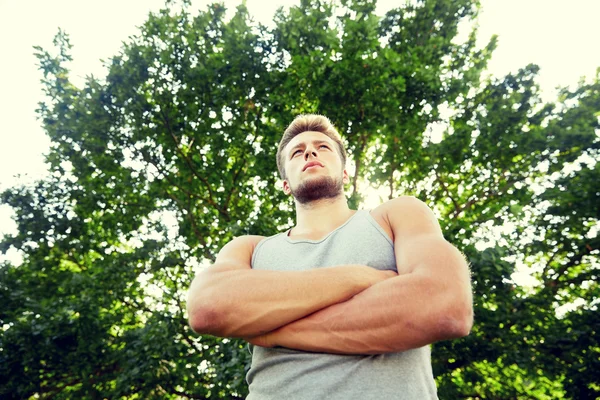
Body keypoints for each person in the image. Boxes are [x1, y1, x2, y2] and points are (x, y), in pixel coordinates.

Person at [187, 114, 473, 399]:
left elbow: (446, 305)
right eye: (297, 152)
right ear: (286, 184)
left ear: (345, 173)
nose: (310, 151)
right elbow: (207, 308)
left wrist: (272, 331)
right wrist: (360, 277)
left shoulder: (397, 216)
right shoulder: (249, 249)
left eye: (323, 147)